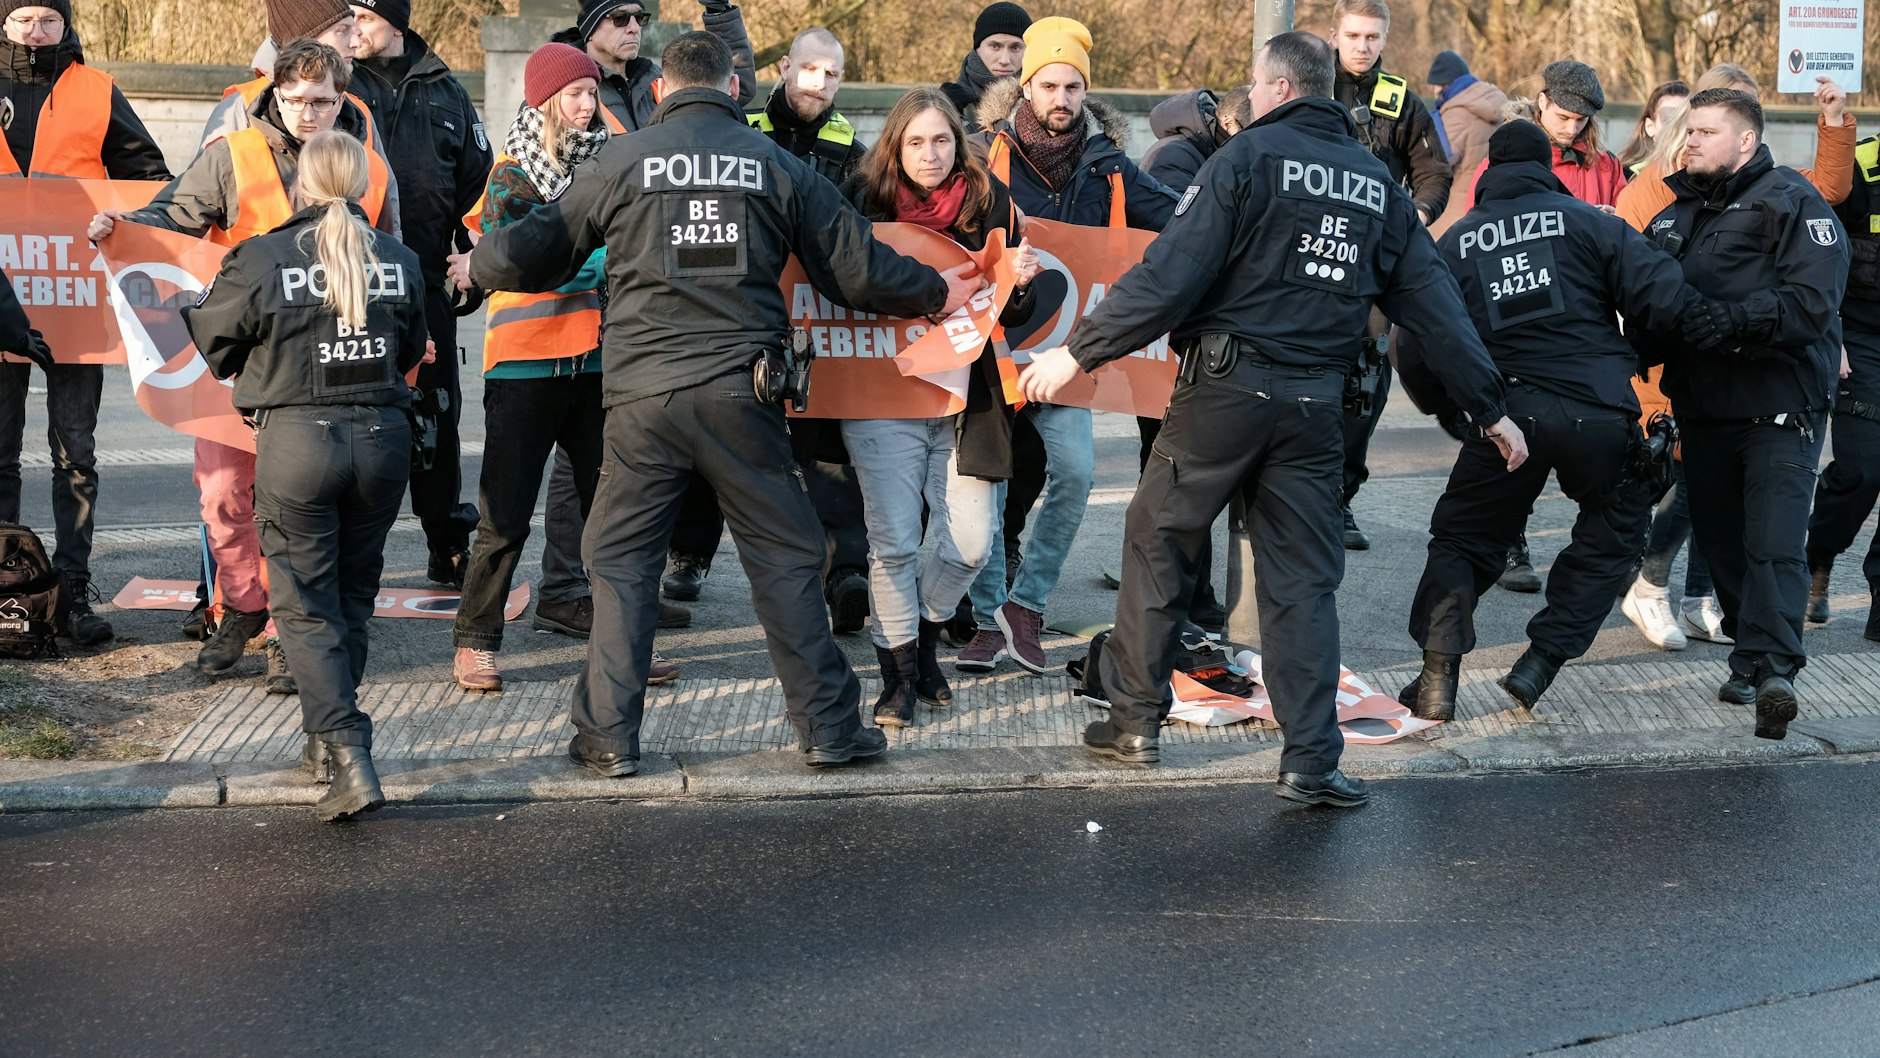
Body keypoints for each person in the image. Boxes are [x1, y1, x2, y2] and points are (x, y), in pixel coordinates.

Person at [449, 32, 980, 776]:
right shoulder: (776, 163)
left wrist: (476, 262)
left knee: (623, 565)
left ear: (660, 92)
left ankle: (606, 738)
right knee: (787, 560)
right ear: (734, 89)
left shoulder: (620, 160)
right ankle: (829, 729)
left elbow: (537, 245)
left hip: (640, 401)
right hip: (744, 396)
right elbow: (857, 268)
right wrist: (936, 291)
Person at [1019, 32, 1526, 807]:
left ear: (1280, 88)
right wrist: (1489, 408)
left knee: (1159, 543)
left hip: (1223, 392)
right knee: (1301, 583)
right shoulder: (1376, 182)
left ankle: (1133, 725)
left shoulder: (1244, 161)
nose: (1249, 100)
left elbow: (1171, 274)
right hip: (1316, 405)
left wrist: (1076, 354)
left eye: (1255, 88)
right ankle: (1313, 759)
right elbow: (1435, 306)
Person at [89, 40, 398, 684]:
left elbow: (390, 249)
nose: (310, 114)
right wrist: (120, 228)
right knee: (224, 494)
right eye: (297, 101)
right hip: (240, 360)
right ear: (273, 93)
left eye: (324, 101)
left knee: (301, 509)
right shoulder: (231, 157)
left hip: (327, 368)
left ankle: (293, 628)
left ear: (343, 99)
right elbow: (170, 219)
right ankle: (241, 606)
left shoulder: (367, 161)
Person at [1395, 121, 1700, 718]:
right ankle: (1540, 664)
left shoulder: (1457, 243)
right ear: (1546, 168)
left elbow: (1413, 343)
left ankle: (1437, 679)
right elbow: (1666, 299)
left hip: (1507, 417)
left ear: (1488, 173)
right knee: (1613, 535)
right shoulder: (1593, 223)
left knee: (1463, 540)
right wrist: (1633, 358)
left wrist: (1454, 411)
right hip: (1601, 411)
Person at [183, 129, 428, 822]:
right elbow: (411, 346)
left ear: (300, 184)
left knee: (303, 604)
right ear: (361, 183)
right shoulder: (400, 258)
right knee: (352, 595)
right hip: (383, 441)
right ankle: (326, 742)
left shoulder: (262, 256)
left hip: (299, 443)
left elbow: (215, 344)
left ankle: (347, 751)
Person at [449, 44, 682, 693]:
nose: (589, 106)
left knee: (612, 516)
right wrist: (603, 261)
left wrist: (603, 256)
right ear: (544, 102)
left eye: (591, 95)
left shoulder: (608, 166)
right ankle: (475, 643)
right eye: (576, 96)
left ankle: (626, 645)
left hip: (597, 365)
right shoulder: (509, 176)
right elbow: (515, 263)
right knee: (504, 516)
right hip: (523, 367)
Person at [958, 15, 1177, 676]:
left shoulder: (1110, 167)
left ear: (1086, 92)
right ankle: (988, 614)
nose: (1061, 98)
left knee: (1077, 472)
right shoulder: (980, 154)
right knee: (988, 487)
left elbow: (1182, 221)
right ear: (1026, 86)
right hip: (990, 356)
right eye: (1049, 84)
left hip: (1066, 357)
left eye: (1073, 87)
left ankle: (1026, 605)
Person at [1615, 73, 1851, 651]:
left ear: (1745, 141)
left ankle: (1774, 669)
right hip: (1703, 408)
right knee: (1722, 548)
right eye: (1687, 130)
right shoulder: (1673, 214)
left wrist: (1736, 319)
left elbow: (1813, 300)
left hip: (1779, 406)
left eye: (1704, 132)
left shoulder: (1792, 200)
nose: (1689, 141)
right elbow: (1645, 305)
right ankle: (1750, 660)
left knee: (1773, 547)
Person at [840, 87, 1040, 726]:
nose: (930, 154)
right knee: (894, 543)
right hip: (879, 399)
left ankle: (925, 637)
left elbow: (1018, 317)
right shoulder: (859, 204)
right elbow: (832, 284)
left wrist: (1020, 284)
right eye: (916, 142)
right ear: (895, 148)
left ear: (960, 144)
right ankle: (897, 673)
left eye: (942, 140)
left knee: (972, 547)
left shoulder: (993, 205)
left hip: (966, 404)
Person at [1, 0, 168, 646]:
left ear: (67, 25)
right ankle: (8, 596)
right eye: (22, 18)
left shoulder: (97, 90)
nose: (36, 31)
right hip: (0, 298)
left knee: (77, 454)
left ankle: (71, 595)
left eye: (48, 19)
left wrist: (119, 223)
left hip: (75, 296)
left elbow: (150, 180)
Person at [346, 0, 491, 591]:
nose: (353, 28)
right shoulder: (333, 82)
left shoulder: (447, 92)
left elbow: (480, 190)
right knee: (353, 419)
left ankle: (446, 542)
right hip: (344, 285)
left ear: (395, 18)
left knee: (435, 418)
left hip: (425, 285)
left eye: (364, 15)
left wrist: (474, 263)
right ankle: (354, 550)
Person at [736, 25, 873, 632]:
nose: (819, 84)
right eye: (810, 69)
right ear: (785, 66)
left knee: (829, 448)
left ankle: (845, 572)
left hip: (822, 322)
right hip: (752, 317)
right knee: (746, 445)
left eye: (832, 74)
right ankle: (691, 551)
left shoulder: (857, 156)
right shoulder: (743, 136)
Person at [1325, 0, 1449, 552]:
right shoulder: (1309, 85)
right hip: (1314, 253)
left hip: (1376, 264)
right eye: (1353, 35)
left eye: (1372, 37)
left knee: (1366, 384)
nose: (1362, 46)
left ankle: (1341, 500)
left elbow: (1433, 174)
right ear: (1334, 34)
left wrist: (1415, 217)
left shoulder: (1400, 101)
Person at [1803, 131, 1880, 639]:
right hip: (1860, 335)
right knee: (1861, 471)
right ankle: (1818, 556)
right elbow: (1820, 253)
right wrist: (1832, 329)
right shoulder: (1860, 163)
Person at [555, 0, 756, 133]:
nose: (634, 28)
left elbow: (729, 91)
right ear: (590, 28)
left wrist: (719, 12)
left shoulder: (656, 79)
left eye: (639, 18)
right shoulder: (558, 86)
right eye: (620, 19)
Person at [198, 0, 364, 150]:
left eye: (322, 102)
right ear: (303, 40)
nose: (356, 43)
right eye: (342, 31)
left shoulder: (358, 112)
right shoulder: (240, 108)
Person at [1424, 49, 1504, 238]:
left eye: (1437, 86)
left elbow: (1441, 158)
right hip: (1490, 204)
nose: (1435, 92)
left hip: (1455, 213)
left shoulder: (1457, 113)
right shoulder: (1493, 101)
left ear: (1445, 84)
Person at [941, 1, 1029, 132]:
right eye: (995, 46)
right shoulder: (946, 105)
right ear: (977, 49)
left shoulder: (1048, 104)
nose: (1004, 60)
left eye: (1015, 47)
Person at [1619, 80, 1689, 177]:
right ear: (1650, 127)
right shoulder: (1624, 177)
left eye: (1684, 121)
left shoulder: (1706, 176)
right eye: (1668, 121)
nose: (1676, 129)